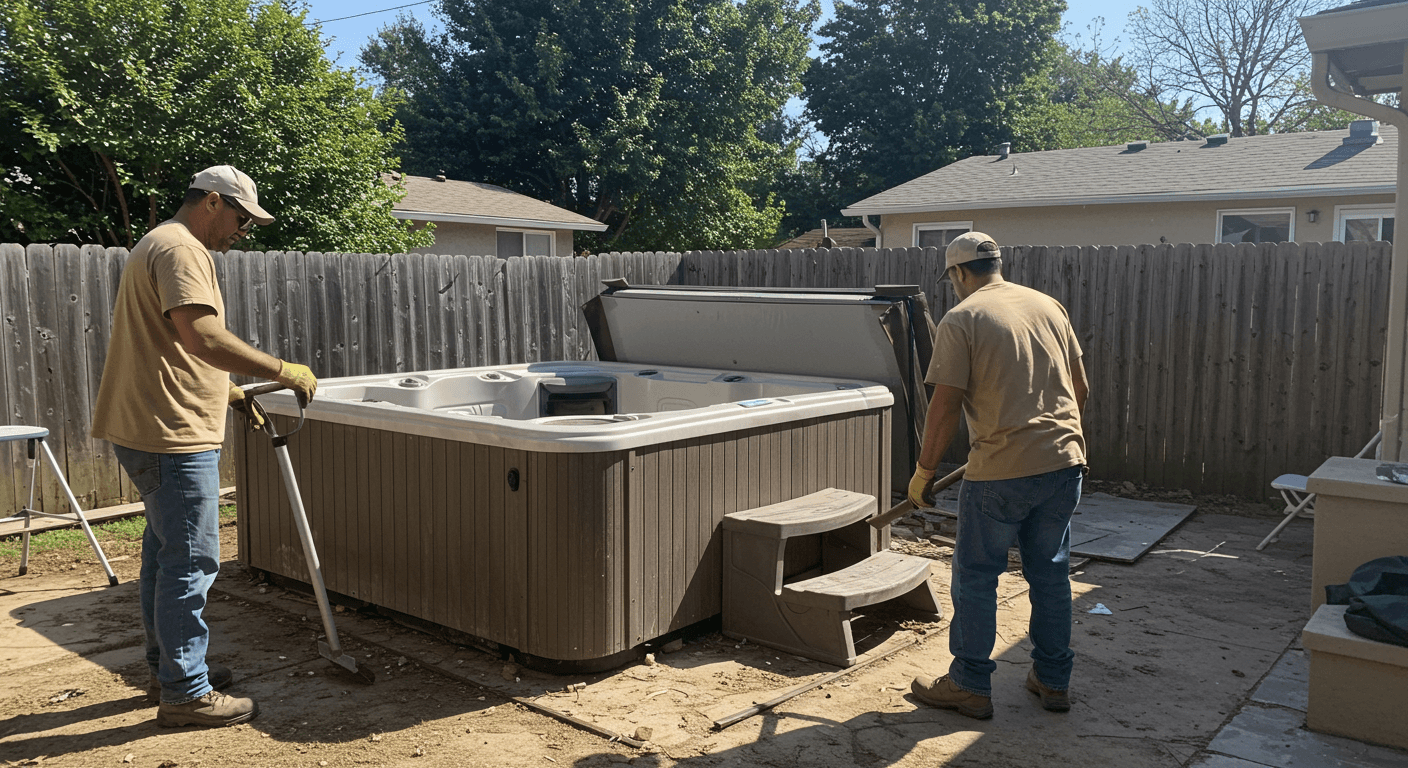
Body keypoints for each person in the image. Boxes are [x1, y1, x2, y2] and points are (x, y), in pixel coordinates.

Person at [91, 165, 319, 728]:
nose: (243, 230)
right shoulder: (181, 249)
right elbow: (203, 336)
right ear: (212, 202)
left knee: (164, 558)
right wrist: (282, 369)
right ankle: (186, 691)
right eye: (241, 217)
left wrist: (231, 390)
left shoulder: (159, 243)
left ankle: (167, 667)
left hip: (152, 424)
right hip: (172, 432)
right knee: (192, 561)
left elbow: (172, 344)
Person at [907, 232, 1088, 720]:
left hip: (1000, 474)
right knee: (1050, 575)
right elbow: (1080, 389)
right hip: (1064, 462)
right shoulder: (1048, 307)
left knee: (976, 576)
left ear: (960, 274)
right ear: (997, 264)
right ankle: (1053, 680)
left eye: (953, 280)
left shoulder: (963, 318)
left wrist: (924, 473)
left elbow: (944, 407)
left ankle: (968, 684)